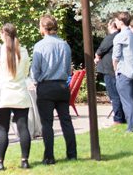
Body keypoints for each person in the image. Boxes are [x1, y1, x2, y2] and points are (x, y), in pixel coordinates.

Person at [31, 15, 76, 165]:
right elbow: (69, 68)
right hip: (62, 85)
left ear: (44, 28)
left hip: (46, 86)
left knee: (47, 123)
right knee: (66, 121)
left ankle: (49, 156)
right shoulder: (64, 45)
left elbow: (35, 70)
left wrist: (36, 80)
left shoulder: (40, 45)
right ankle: (72, 154)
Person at [0, 23, 32, 171]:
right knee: (23, 128)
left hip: (4, 95)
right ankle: (25, 160)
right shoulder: (23, 51)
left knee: (2, 130)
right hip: (20, 93)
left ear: (3, 34)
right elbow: (26, 72)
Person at [111, 11, 133, 132]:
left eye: (116, 21)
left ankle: (132, 128)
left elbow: (116, 57)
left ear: (120, 21)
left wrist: (115, 71)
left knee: (127, 102)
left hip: (124, 72)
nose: (115, 23)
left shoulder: (120, 36)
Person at [95, 20, 124, 124]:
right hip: (114, 69)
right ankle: (121, 116)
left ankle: (118, 118)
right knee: (118, 94)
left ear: (111, 26)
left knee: (114, 94)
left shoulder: (112, 36)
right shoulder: (120, 36)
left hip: (109, 69)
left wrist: (97, 57)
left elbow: (101, 49)